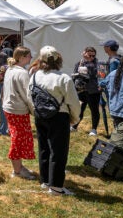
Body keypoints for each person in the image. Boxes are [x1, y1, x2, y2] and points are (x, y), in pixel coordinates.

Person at [29, 46, 80, 195]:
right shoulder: (63, 78)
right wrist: (74, 119)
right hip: (59, 116)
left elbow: (30, 96)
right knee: (58, 151)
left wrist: (36, 112)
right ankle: (56, 187)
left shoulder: (34, 76)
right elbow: (73, 102)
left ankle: (45, 181)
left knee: (44, 147)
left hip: (40, 116)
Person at [1, 46, 36, 180]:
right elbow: (28, 95)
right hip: (17, 109)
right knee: (18, 139)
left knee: (19, 137)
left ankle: (19, 166)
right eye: (29, 56)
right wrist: (34, 111)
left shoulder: (11, 69)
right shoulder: (21, 72)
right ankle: (17, 170)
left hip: (10, 108)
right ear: (21, 57)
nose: (31, 58)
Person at [72, 46, 100, 135]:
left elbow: (93, 73)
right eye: (90, 55)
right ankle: (74, 126)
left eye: (93, 56)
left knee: (94, 110)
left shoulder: (97, 64)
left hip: (93, 91)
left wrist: (87, 63)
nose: (91, 57)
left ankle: (94, 129)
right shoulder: (79, 63)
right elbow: (75, 75)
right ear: (84, 53)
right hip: (81, 90)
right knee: (79, 109)